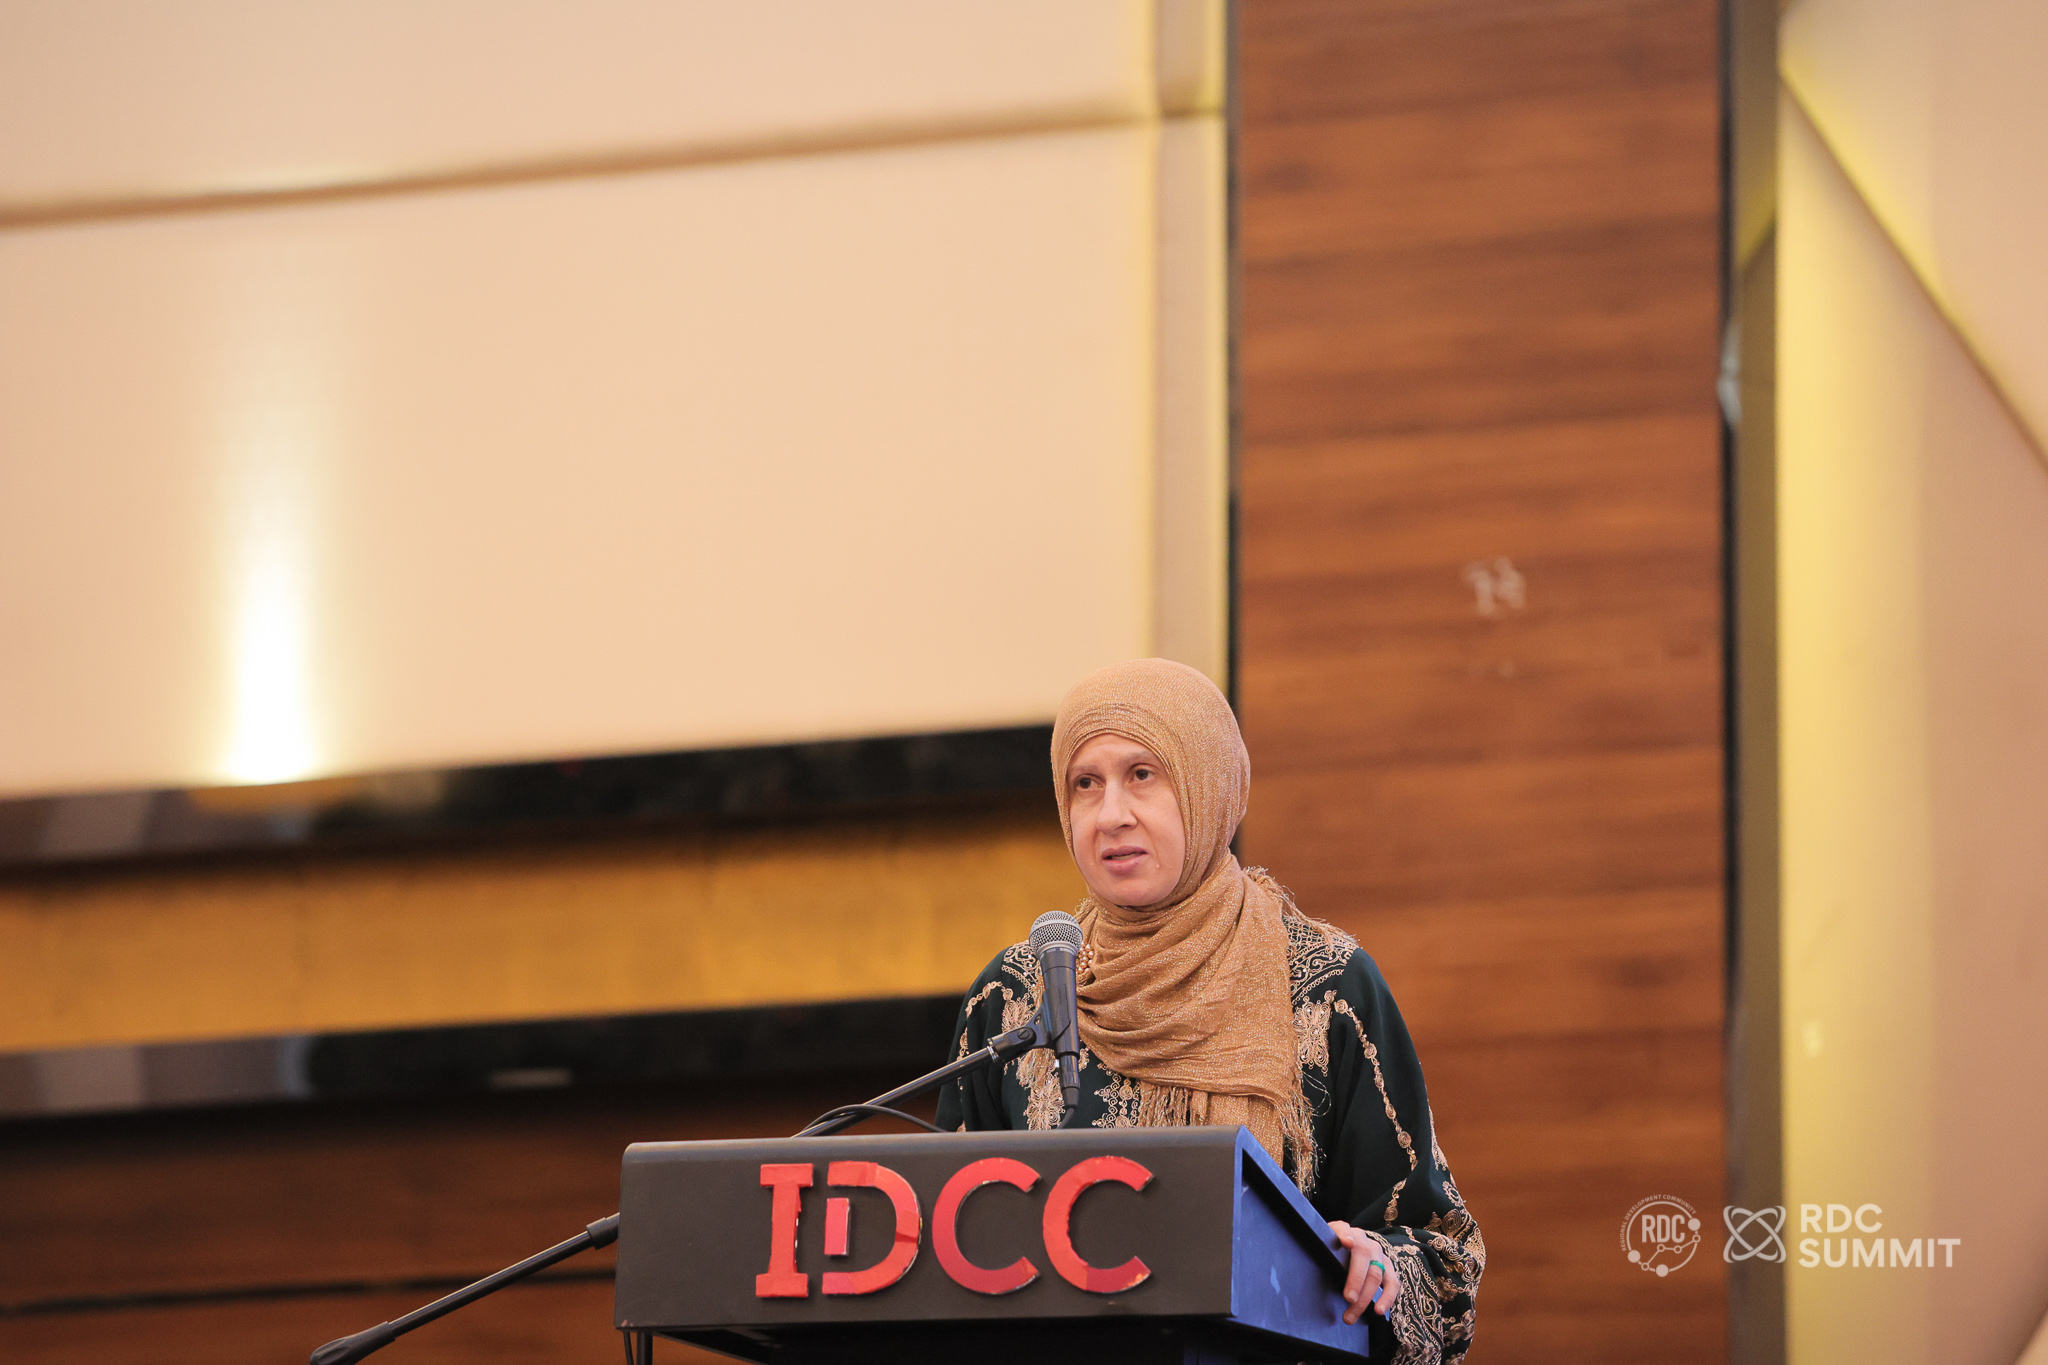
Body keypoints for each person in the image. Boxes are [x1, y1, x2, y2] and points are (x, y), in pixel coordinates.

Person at [935, 658, 1484, 1364]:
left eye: (1142, 774)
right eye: (1084, 783)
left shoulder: (1325, 986)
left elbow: (1443, 1259)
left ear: (1208, 783)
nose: (1110, 815)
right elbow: (947, 1243)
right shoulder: (1016, 995)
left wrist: (1376, 1264)